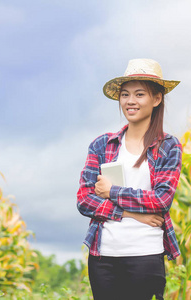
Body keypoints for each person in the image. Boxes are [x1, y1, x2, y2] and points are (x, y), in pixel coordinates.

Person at [76, 58, 183, 300]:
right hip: (103, 257)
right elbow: (84, 200)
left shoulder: (168, 146)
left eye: (139, 94)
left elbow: (161, 201)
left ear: (156, 99)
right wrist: (131, 214)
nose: (130, 101)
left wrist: (112, 191)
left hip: (145, 254)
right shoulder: (102, 145)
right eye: (125, 95)